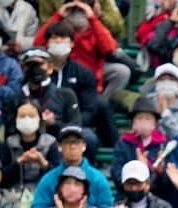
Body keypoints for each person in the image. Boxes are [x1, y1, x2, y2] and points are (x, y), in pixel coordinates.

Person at [44, 21, 121, 151]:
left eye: (62, 38)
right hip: (42, 125)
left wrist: (67, 125)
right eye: (53, 38)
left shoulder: (83, 73)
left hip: (74, 124)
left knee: (90, 139)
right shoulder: (38, 71)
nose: (58, 42)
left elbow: (89, 110)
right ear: (47, 43)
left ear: (72, 43)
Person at [34, 0, 129, 98]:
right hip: (63, 74)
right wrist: (59, 15)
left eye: (82, 10)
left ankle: (102, 101)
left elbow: (110, 48)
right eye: (73, 10)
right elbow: (37, 44)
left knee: (122, 72)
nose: (77, 13)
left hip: (91, 76)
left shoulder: (96, 29)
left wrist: (93, 18)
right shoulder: (61, 31)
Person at [31, 125, 115, 208]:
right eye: (67, 142)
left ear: (84, 146)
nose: (72, 146)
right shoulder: (48, 179)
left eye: (77, 142)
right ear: (59, 146)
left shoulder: (98, 179)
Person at [4, 47, 82, 142]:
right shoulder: (15, 98)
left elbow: (76, 126)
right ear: (23, 69)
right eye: (30, 65)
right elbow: (9, 131)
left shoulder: (65, 95)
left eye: (39, 65)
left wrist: (53, 123)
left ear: (50, 68)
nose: (34, 69)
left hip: (58, 145)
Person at [0, 100, 62, 193]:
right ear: (16, 119)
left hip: (43, 192)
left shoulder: (50, 142)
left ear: (39, 119)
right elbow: (0, 176)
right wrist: (19, 162)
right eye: (22, 116)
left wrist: (43, 162)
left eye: (31, 116)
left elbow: (58, 175)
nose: (27, 119)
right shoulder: (9, 143)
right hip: (13, 193)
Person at [110, 97, 167, 192]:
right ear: (133, 123)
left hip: (157, 196)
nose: (144, 122)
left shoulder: (164, 145)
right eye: (139, 118)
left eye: (148, 118)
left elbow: (167, 182)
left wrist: (157, 171)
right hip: (128, 193)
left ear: (155, 123)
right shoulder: (124, 144)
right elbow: (117, 173)